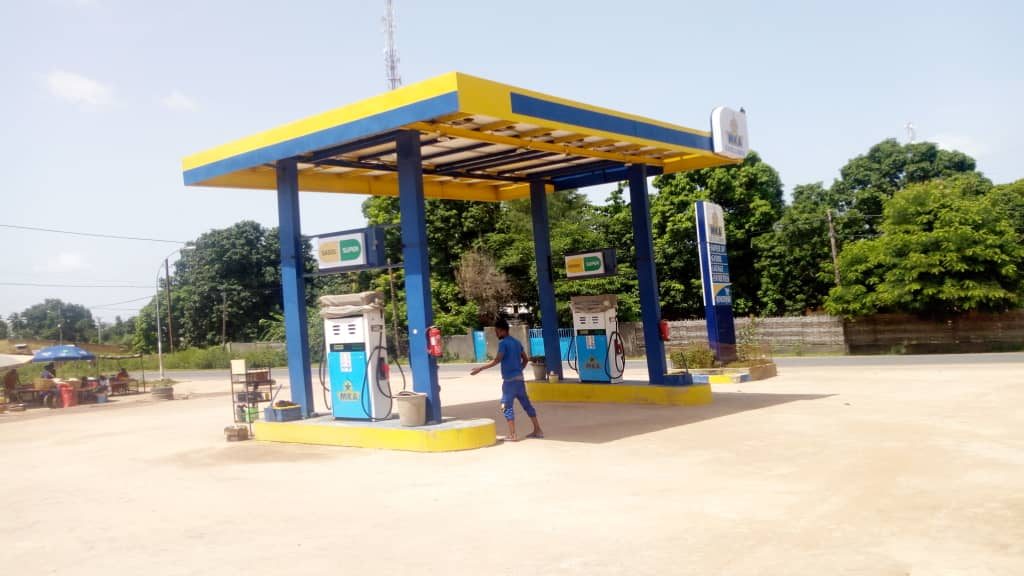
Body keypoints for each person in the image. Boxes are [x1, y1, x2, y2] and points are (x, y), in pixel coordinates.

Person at [470, 318, 544, 442]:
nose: (496, 334)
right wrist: (519, 369)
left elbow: (497, 360)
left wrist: (480, 368)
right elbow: (525, 359)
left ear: (502, 330)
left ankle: (513, 434)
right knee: (527, 405)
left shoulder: (503, 344)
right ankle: (538, 430)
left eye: (497, 331)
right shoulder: (517, 342)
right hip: (520, 380)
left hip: (509, 382)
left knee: (505, 406)